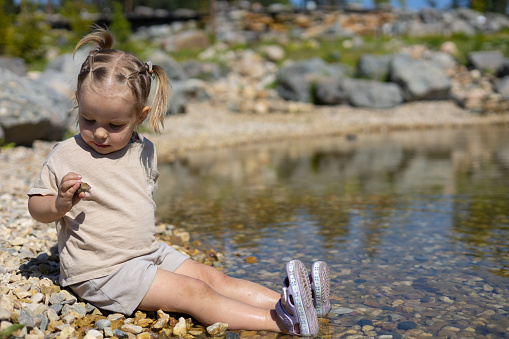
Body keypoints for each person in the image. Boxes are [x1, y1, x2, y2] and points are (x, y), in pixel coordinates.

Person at [27, 27, 331, 336]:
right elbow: (36, 208)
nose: (100, 132)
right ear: (78, 102)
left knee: (213, 278)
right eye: (88, 119)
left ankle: (295, 304)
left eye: (115, 124)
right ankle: (284, 323)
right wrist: (59, 203)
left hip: (147, 253)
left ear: (140, 117)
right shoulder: (66, 154)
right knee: (194, 293)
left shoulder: (144, 149)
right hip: (103, 273)